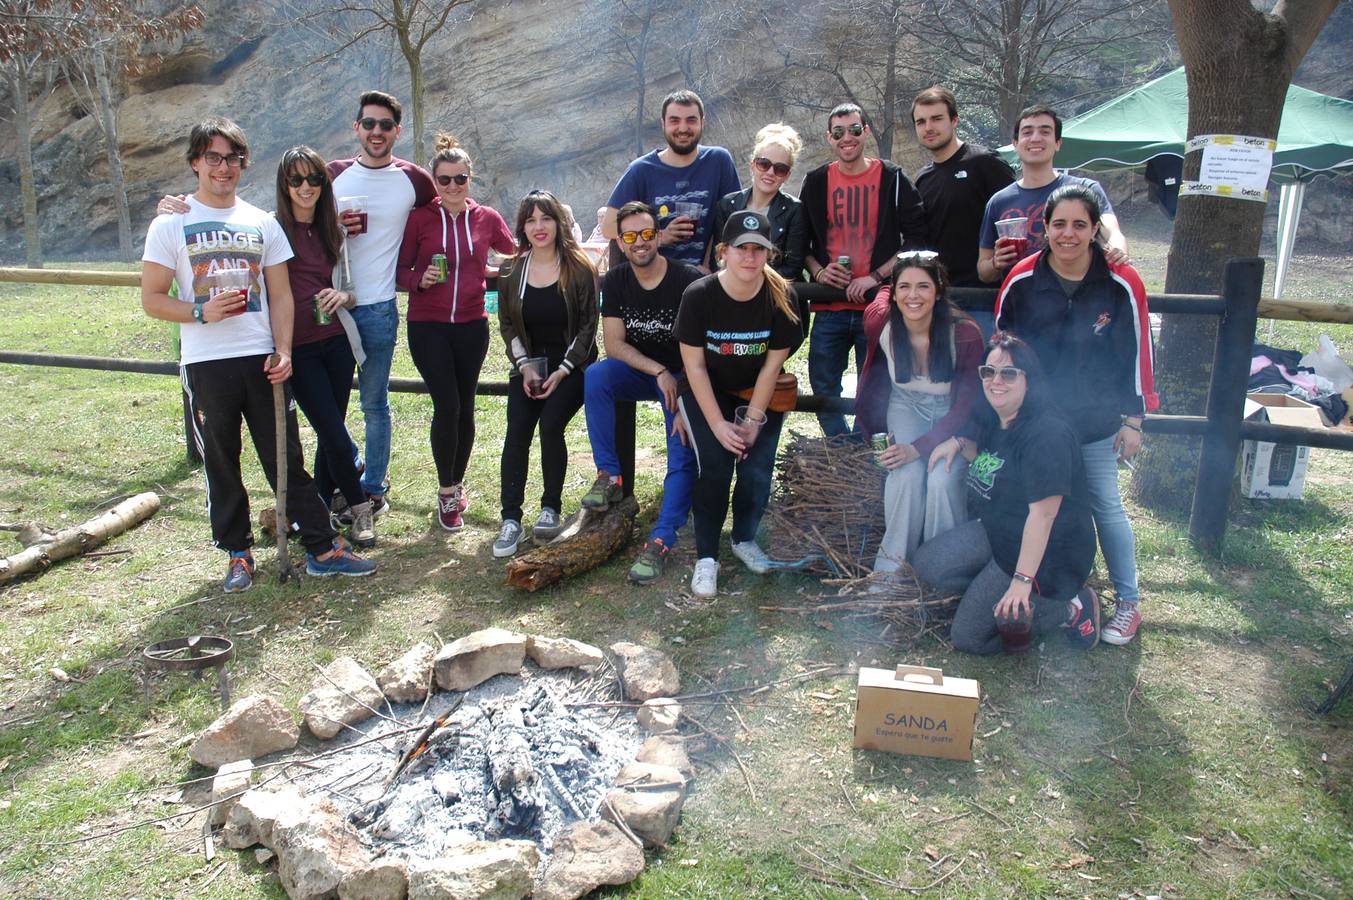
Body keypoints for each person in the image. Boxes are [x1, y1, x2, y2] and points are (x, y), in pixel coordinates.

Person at [140, 117, 375, 592]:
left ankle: (321, 547)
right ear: (195, 163)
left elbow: (282, 296)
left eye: (232, 158)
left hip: (262, 356)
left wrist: (284, 349)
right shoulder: (171, 223)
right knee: (222, 459)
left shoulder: (260, 222)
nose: (224, 167)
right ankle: (237, 553)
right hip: (207, 361)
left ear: (243, 165)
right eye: (213, 158)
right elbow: (151, 298)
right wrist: (201, 312)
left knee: (285, 456)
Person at [993, 184, 1157, 646]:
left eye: (1079, 225)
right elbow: (1003, 351)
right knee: (1034, 505)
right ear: (1044, 228)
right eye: (1059, 224)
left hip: (1095, 421)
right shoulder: (1023, 278)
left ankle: (1128, 602)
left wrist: (1133, 420)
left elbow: (1139, 353)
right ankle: (1059, 590)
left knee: (1106, 505)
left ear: (1094, 229)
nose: (1068, 234)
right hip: (1037, 425)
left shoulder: (1122, 281)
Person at [915, 333, 1099, 654]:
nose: (996, 381)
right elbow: (997, 462)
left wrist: (1021, 581)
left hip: (1049, 557)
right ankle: (987, 596)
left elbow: (1044, 516)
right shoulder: (999, 418)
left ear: (1030, 380)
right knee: (928, 565)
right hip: (1000, 534)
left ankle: (1066, 607)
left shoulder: (1047, 435)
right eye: (988, 372)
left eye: (1008, 373)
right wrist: (957, 443)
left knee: (968, 637)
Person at [675, 210, 802, 598]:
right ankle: (707, 558)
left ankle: (744, 538)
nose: (750, 257)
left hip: (757, 392)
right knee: (714, 466)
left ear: (768, 254)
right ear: (723, 253)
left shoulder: (783, 297)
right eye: (741, 249)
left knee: (756, 465)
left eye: (758, 250)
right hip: (706, 391)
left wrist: (754, 420)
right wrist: (717, 425)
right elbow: (694, 366)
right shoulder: (699, 295)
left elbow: (770, 368)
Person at [396, 133, 517, 531]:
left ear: (470, 179)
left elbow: (515, 253)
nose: (451, 186)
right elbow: (399, 270)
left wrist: (503, 272)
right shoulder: (419, 219)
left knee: (465, 407)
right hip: (427, 326)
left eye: (459, 179)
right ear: (434, 182)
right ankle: (447, 491)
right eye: (444, 180)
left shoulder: (487, 218)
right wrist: (419, 279)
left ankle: (456, 483)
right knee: (446, 405)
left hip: (471, 325)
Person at [579, 201, 703, 584]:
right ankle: (609, 476)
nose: (640, 243)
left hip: (685, 376)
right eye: (630, 236)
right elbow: (614, 344)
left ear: (658, 235)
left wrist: (680, 389)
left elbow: (698, 352)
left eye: (647, 234)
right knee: (597, 376)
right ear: (620, 239)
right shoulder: (615, 280)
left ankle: (663, 539)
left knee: (680, 450)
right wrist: (658, 370)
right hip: (646, 371)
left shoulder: (687, 280)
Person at [328, 90, 437, 518]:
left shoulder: (415, 179)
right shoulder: (331, 174)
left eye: (385, 125)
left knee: (374, 403)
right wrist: (331, 226)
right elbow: (292, 222)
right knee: (327, 404)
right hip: (331, 307)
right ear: (356, 127)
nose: (377, 132)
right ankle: (348, 463)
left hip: (378, 307)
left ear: (397, 131)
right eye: (368, 124)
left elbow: (443, 213)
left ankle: (373, 489)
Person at [800, 103, 930, 437]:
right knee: (822, 381)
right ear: (830, 138)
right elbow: (800, 244)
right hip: (829, 305)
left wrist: (875, 276)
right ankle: (842, 445)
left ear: (866, 132)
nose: (848, 138)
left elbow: (915, 239)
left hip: (877, 305)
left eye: (855, 130)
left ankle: (862, 446)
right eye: (839, 132)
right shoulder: (815, 182)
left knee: (874, 384)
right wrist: (818, 272)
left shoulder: (893, 178)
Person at [855, 250, 984, 571]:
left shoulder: (965, 334)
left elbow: (966, 406)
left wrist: (920, 448)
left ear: (939, 291)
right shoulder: (880, 322)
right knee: (905, 474)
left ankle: (941, 570)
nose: (913, 296)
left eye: (923, 286)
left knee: (941, 476)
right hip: (905, 405)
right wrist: (908, 451)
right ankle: (891, 571)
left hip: (951, 413)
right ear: (895, 294)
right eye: (904, 287)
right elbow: (881, 294)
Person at [273, 147, 375, 548]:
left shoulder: (333, 228)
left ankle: (317, 508)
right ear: (285, 185)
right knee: (333, 432)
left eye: (314, 179)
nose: (305, 188)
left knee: (330, 429)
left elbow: (351, 291)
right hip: (296, 345)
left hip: (336, 341)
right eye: (296, 180)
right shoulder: (271, 229)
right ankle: (360, 509)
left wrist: (341, 297)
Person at [494, 190, 599, 558]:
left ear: (559, 222)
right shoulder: (511, 270)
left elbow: (588, 327)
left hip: (572, 367)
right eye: (531, 220)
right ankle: (510, 518)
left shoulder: (580, 268)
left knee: (551, 425)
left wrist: (563, 371)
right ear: (522, 226)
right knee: (517, 431)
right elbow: (507, 323)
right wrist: (523, 367)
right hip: (528, 367)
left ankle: (550, 507)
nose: (539, 227)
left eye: (546, 218)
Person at [977, 104, 1127, 285]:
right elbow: (983, 272)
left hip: (1079, 299)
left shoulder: (1085, 190)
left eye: (1045, 132)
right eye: (1027, 132)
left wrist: (1118, 249)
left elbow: (1112, 232)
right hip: (1021, 304)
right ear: (1015, 143)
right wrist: (995, 263)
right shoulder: (999, 202)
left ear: (1058, 143)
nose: (1035, 138)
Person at [911, 85, 1015, 335]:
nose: (929, 127)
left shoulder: (984, 163)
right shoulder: (921, 179)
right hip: (939, 300)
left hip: (983, 299)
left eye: (937, 118)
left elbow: (1013, 221)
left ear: (954, 120)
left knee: (984, 373)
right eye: (921, 121)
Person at [602, 89, 741, 268]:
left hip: (705, 278)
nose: (683, 128)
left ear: (702, 122)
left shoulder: (718, 161)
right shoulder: (642, 170)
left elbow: (731, 222)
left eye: (691, 120)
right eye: (674, 121)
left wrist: (709, 267)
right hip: (655, 277)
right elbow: (609, 227)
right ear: (663, 124)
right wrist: (659, 236)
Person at [709, 123, 808, 283]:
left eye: (780, 169)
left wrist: (751, 280)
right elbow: (718, 257)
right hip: (733, 293)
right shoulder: (727, 205)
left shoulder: (794, 209)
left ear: (787, 175)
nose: (770, 172)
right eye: (764, 164)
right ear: (753, 165)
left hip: (774, 295)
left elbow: (793, 267)